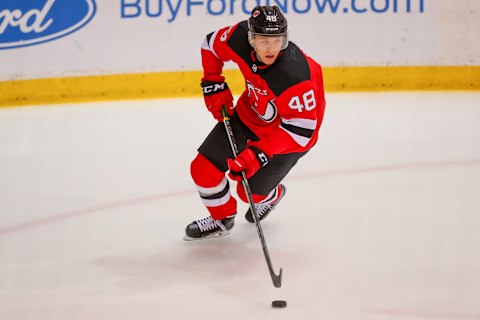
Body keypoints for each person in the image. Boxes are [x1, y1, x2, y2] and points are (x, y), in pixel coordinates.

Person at [184, 5, 326, 241]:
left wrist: (256, 154)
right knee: (202, 169)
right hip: (248, 118)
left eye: (277, 40)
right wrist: (212, 81)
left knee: (249, 193)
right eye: (264, 40)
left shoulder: (295, 74)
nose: (272, 48)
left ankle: (271, 195)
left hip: (286, 139)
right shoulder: (238, 37)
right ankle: (222, 219)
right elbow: (210, 45)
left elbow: (303, 131)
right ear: (251, 38)